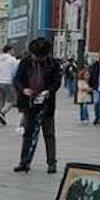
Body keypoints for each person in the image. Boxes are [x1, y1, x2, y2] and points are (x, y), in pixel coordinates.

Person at [12, 37, 62, 174]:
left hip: (46, 103)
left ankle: (52, 163)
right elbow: (17, 79)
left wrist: (49, 91)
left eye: (40, 56)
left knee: (49, 133)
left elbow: (57, 81)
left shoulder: (53, 64)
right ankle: (24, 161)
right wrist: (24, 90)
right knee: (28, 133)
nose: (37, 58)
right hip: (29, 102)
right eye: (35, 55)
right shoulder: (25, 62)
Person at [0, 45, 20, 126]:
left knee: (1, 101)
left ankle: (1, 117)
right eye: (13, 50)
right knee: (13, 100)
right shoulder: (12, 60)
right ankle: (3, 112)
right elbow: (15, 71)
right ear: (9, 50)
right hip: (8, 81)